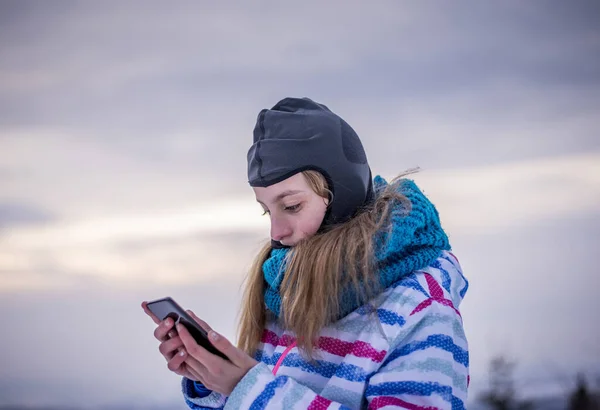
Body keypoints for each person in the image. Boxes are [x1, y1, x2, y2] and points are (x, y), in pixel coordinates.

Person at [142, 97, 469, 409]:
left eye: (292, 206)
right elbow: (268, 394)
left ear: (342, 193)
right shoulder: (284, 287)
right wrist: (215, 379)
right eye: (267, 211)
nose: (276, 233)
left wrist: (246, 387)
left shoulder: (419, 304)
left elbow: (263, 396)